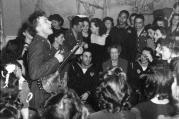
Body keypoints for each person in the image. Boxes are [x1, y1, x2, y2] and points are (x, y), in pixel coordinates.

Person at [27, 10, 64, 114]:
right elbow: (34, 73)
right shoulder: (38, 44)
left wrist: (72, 52)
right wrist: (56, 60)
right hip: (40, 95)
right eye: (45, 21)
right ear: (37, 28)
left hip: (47, 91)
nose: (50, 22)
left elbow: (53, 61)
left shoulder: (45, 41)